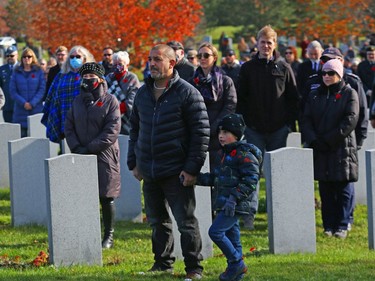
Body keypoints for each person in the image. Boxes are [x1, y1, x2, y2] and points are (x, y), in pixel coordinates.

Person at [127, 44, 210, 280]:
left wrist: (192, 168)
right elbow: (135, 129)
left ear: (172, 63)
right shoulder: (143, 93)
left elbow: (201, 133)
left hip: (177, 170)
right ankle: (162, 263)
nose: (151, 63)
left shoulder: (187, 93)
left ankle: (194, 268)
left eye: (157, 59)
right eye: (150, 59)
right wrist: (133, 161)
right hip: (150, 169)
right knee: (157, 221)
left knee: (186, 222)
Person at [237, 25, 299, 230]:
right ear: (257, 43)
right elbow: (241, 99)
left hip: (278, 129)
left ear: (274, 45)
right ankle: (249, 217)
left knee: (277, 173)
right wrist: (245, 125)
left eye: (269, 43)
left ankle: (278, 214)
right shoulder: (247, 69)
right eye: (262, 42)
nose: (265, 46)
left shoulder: (283, 67)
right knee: (251, 173)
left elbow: (293, 98)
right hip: (254, 129)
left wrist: (289, 125)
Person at [302, 47, 368, 231]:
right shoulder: (315, 92)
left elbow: (352, 119)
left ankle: (343, 222)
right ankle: (328, 225)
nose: (327, 76)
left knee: (343, 187)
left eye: (331, 72)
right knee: (326, 188)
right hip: (321, 146)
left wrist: (329, 140)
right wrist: (314, 140)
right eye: (324, 72)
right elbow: (306, 117)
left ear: (339, 72)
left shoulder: (350, 90)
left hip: (341, 146)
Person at [197, 113, 262, 281]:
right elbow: (217, 178)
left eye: (226, 132)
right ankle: (236, 274)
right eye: (219, 132)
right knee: (234, 239)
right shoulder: (227, 155)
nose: (221, 136)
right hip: (225, 203)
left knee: (215, 232)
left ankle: (236, 263)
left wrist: (234, 198)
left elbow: (250, 181)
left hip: (234, 204)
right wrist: (195, 179)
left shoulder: (245, 155)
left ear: (237, 134)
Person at [64, 62, 121, 249]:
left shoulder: (110, 101)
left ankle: (109, 236)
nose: (88, 80)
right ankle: (87, 231)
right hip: (81, 154)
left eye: (92, 77)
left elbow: (112, 130)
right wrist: (76, 146)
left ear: (100, 79)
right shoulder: (77, 101)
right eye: (85, 77)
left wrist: (90, 147)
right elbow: (69, 126)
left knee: (106, 196)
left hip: (104, 155)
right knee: (84, 196)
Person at [190, 42, 237, 214]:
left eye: (206, 55)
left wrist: (215, 127)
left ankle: (219, 210)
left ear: (214, 58)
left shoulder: (225, 81)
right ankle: (202, 213)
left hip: (219, 136)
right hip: (197, 134)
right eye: (199, 56)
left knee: (219, 176)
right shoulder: (192, 82)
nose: (202, 59)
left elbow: (230, 105)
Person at [42, 45, 95, 145]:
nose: (75, 59)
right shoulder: (62, 75)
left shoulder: (92, 74)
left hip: (86, 120)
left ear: (84, 58)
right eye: (72, 57)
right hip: (65, 118)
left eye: (78, 56)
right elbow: (53, 96)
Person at [10, 47, 45, 137]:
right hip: (20, 112)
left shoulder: (39, 72)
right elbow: (13, 91)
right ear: (21, 59)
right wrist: (24, 103)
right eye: (24, 57)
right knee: (21, 139)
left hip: (36, 110)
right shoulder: (16, 72)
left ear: (33, 58)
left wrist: (32, 103)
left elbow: (42, 89)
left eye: (29, 56)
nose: (26, 59)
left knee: (37, 140)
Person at [105, 51, 141, 135]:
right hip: (109, 117)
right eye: (115, 64)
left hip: (127, 117)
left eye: (120, 64)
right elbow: (104, 96)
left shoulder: (132, 78)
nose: (117, 66)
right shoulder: (109, 77)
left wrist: (117, 111)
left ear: (127, 65)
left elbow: (133, 98)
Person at [0, 45, 18, 122]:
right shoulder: (2, 69)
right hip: (7, 106)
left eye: (12, 55)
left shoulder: (22, 68)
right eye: (7, 55)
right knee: (9, 131)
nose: (9, 57)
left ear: (17, 55)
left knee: (21, 131)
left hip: (19, 106)